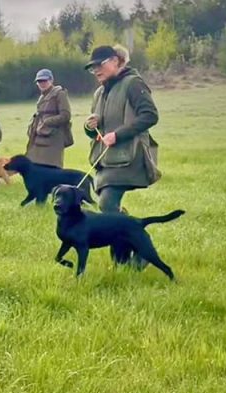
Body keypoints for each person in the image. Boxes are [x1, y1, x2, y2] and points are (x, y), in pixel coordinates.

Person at [84, 45, 161, 266]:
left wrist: (117, 135)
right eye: (92, 68)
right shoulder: (99, 92)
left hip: (130, 156)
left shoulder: (133, 84)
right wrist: (90, 127)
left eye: (100, 64)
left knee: (107, 204)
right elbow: (94, 129)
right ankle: (131, 253)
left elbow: (150, 115)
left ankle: (131, 257)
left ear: (117, 60)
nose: (96, 70)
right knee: (108, 208)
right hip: (106, 159)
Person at [25, 68, 74, 169]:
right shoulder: (42, 97)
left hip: (53, 138)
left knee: (51, 168)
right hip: (40, 137)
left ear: (51, 80)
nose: (42, 83)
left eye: (44, 80)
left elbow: (65, 115)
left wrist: (47, 122)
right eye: (39, 81)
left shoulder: (59, 93)